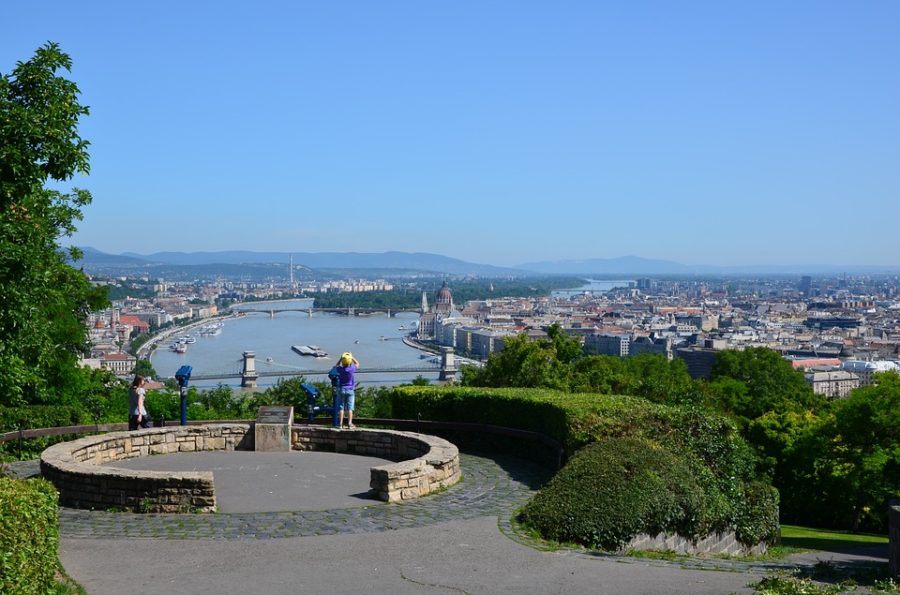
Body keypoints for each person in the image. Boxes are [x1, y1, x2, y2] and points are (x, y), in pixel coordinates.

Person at [335, 352, 360, 429]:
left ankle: (340, 424)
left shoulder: (340, 369)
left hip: (341, 389)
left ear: (343, 362)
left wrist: (341, 358)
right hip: (350, 390)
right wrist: (352, 357)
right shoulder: (351, 369)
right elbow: (357, 363)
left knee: (341, 407)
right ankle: (349, 423)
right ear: (350, 362)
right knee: (350, 408)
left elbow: (336, 365)